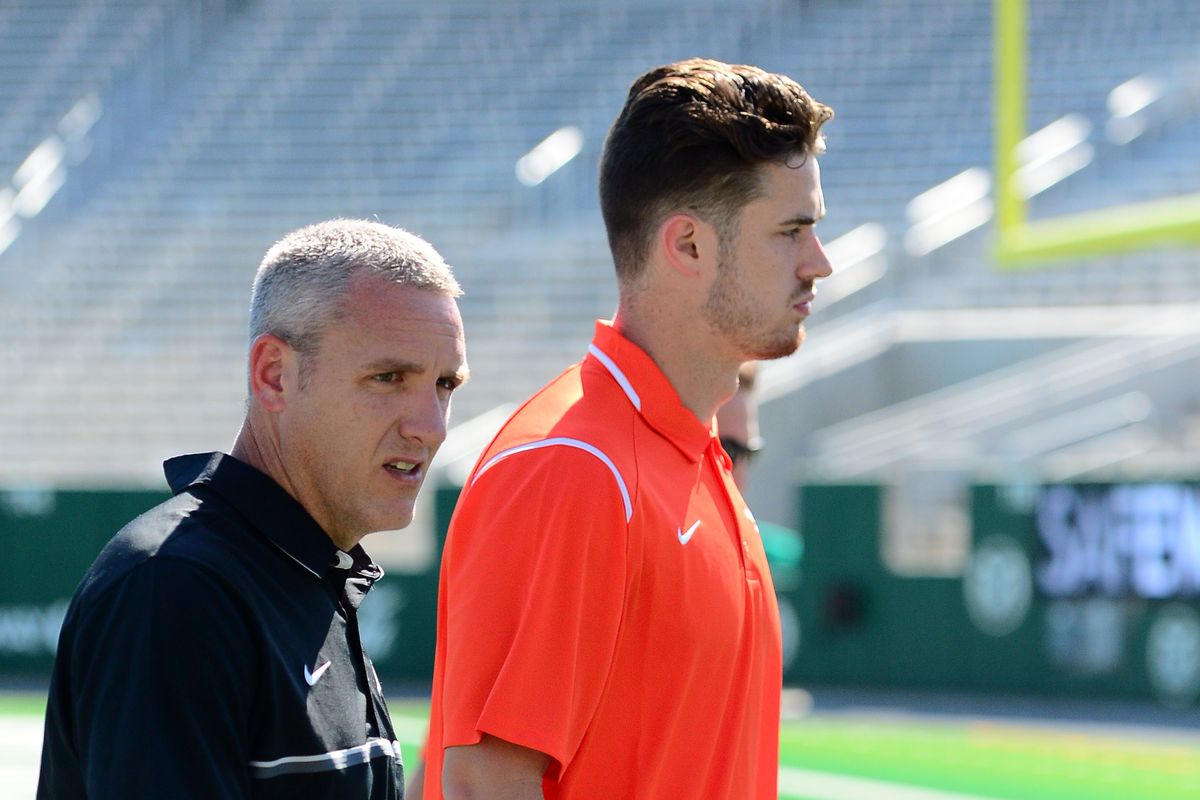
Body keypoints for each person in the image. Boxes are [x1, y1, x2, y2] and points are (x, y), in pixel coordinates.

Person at [422, 57, 833, 799]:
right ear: (688, 246)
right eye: (791, 231)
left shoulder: (698, 457)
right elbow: (486, 784)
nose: (820, 262)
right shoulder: (572, 468)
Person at [37, 219, 469, 799]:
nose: (431, 427)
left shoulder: (308, 575)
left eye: (444, 385)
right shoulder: (176, 589)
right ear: (274, 375)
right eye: (388, 378)